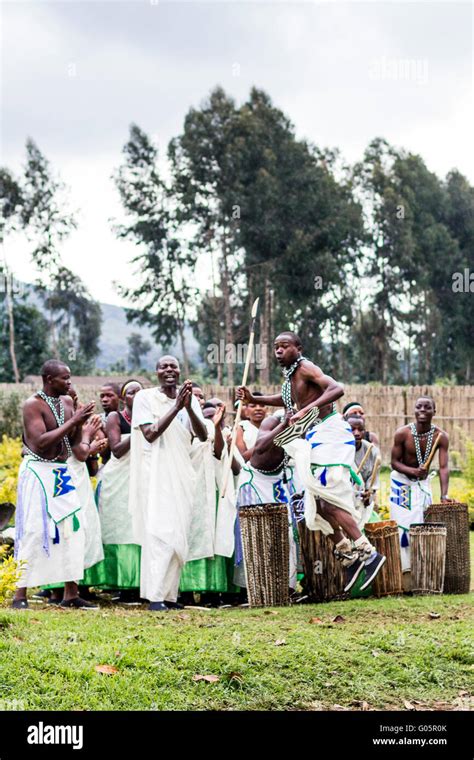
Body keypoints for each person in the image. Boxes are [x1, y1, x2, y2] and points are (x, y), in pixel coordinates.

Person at [238, 331, 386, 593]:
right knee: (315, 504)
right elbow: (288, 400)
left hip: (331, 432)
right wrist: (254, 399)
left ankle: (368, 553)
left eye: (285, 346)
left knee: (327, 498)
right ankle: (347, 554)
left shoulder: (306, 367)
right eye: (275, 347)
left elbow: (337, 388)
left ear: (298, 348)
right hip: (318, 436)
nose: (279, 351)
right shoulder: (291, 377)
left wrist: (307, 409)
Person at [12, 360, 97, 609]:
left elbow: (72, 440)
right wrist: (74, 421)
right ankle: (20, 594)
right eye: (65, 379)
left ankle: (70, 594)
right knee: (35, 530)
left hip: (61, 471)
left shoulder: (68, 403)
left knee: (72, 528)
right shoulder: (32, 405)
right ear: (49, 379)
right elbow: (40, 443)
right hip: (37, 471)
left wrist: (80, 422)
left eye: (70, 378)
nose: (69, 383)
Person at [128, 356, 207, 612]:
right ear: (156, 372)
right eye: (164, 366)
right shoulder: (145, 398)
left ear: (180, 370)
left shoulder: (189, 399)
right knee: (159, 534)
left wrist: (188, 407)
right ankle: (154, 597)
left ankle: (170, 596)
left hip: (182, 473)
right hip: (156, 475)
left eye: (174, 366)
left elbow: (203, 434)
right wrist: (175, 408)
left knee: (178, 534)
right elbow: (150, 434)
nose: (169, 370)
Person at [87, 380, 144, 603]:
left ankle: (138, 584)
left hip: (141, 477)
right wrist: (140, 430)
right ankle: (119, 582)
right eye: (130, 392)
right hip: (118, 477)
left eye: (139, 392)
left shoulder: (151, 418)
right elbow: (118, 450)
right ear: (123, 398)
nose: (135, 396)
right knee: (119, 527)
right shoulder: (115, 418)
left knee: (138, 528)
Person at [179, 403, 240, 604]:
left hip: (209, 497)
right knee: (186, 542)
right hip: (185, 497)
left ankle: (210, 592)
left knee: (210, 543)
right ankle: (185, 592)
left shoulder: (212, 433)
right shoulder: (179, 436)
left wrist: (215, 428)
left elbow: (218, 452)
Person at [235, 411, 299, 590]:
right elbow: (261, 446)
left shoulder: (306, 424)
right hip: (254, 482)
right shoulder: (271, 422)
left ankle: (287, 587)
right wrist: (283, 425)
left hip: (279, 481)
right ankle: (257, 588)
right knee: (257, 535)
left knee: (287, 532)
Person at [390, 396, 452, 571]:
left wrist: (444, 494)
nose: (423, 410)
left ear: (434, 411)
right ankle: (403, 569)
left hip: (422, 484)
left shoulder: (441, 436)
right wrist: (412, 471)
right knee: (402, 525)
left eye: (427, 407)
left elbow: (444, 467)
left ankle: (421, 568)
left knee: (423, 522)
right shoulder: (403, 433)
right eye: (419, 407)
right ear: (414, 410)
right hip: (401, 482)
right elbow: (394, 463)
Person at [348, 416, 381, 528]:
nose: (356, 433)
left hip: (363, 502)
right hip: (344, 500)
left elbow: (373, 478)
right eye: (352, 429)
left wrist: (369, 493)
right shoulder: (339, 450)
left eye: (360, 429)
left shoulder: (372, 451)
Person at [235, 391, 267, 463]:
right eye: (253, 406)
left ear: (267, 409)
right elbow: (242, 458)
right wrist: (264, 443)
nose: (258, 408)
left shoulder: (274, 426)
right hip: (250, 471)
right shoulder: (241, 428)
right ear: (246, 411)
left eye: (262, 405)